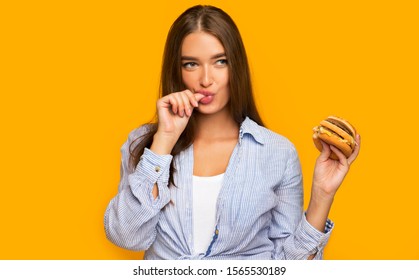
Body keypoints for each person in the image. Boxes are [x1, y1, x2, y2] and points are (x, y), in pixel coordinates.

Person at [104, 5, 360, 260]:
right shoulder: (144, 144)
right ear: (177, 71)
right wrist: (164, 141)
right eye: (191, 64)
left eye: (220, 62)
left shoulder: (277, 153)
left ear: (236, 66)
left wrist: (322, 196)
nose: (206, 79)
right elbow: (126, 237)